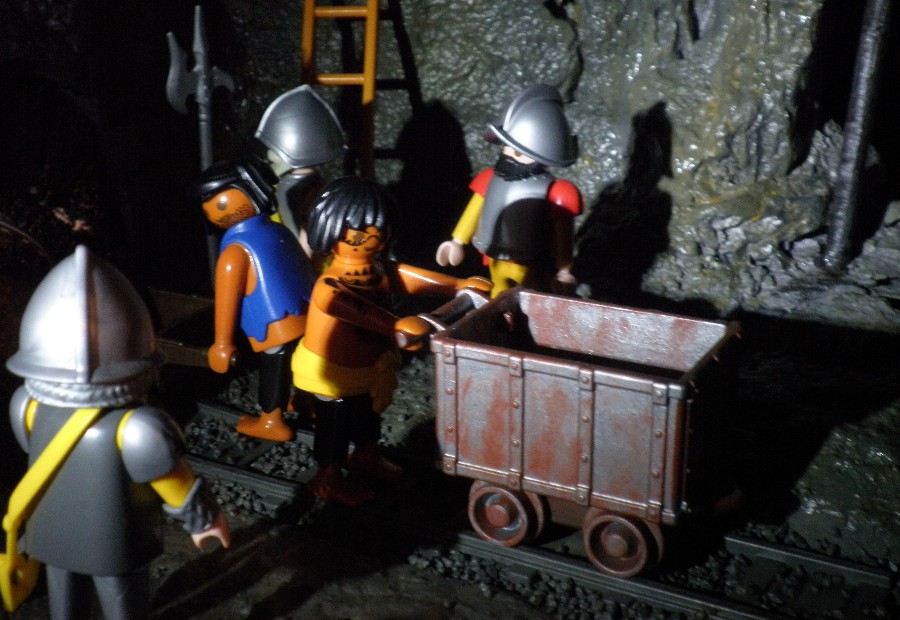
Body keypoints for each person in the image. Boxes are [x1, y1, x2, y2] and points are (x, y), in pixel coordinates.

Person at [5, 245, 230, 620]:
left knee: (64, 599)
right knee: (121, 602)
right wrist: (204, 520)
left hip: (50, 532)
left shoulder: (25, 407)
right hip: (112, 543)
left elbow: (33, 451)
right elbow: (174, 482)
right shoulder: (139, 429)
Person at [293, 176, 492, 506]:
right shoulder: (330, 284)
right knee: (335, 424)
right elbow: (352, 308)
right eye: (362, 234)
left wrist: (456, 286)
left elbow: (406, 276)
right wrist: (394, 324)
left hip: (366, 366)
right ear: (330, 231)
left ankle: (366, 454)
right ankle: (326, 478)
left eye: (379, 231)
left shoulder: (374, 269)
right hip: (332, 371)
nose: (374, 238)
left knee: (368, 414)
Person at [194, 156, 315, 441]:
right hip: (306, 311)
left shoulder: (234, 251)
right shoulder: (278, 230)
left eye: (219, 204)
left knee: (275, 367)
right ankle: (307, 401)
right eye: (208, 207)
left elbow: (227, 300)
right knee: (300, 359)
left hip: (272, 324)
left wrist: (222, 343)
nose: (214, 213)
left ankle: (271, 420)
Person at [435, 84, 583, 296]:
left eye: (518, 152)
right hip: (495, 258)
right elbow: (474, 210)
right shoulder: (489, 178)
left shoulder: (557, 191)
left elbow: (563, 235)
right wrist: (457, 241)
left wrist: (564, 270)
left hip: (531, 264)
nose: (509, 155)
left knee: (531, 299)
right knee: (496, 295)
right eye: (506, 147)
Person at [256, 84, 345, 267]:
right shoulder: (283, 187)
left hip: (308, 267)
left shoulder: (312, 191)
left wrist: (302, 266)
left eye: (274, 151)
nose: (270, 155)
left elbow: (307, 233)